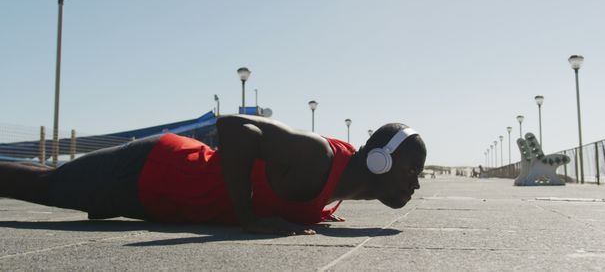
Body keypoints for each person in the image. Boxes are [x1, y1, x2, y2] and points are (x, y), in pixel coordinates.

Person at [0, 115, 426, 236]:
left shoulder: (345, 183)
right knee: (44, 186)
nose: (416, 183)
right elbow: (234, 129)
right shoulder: (316, 156)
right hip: (155, 171)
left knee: (49, 182)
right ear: (379, 163)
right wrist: (248, 219)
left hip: (158, 199)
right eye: (412, 171)